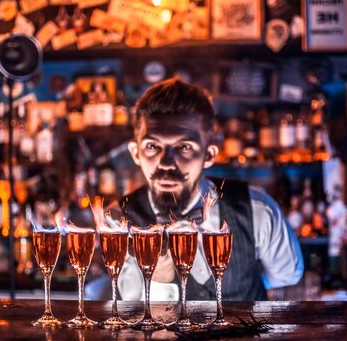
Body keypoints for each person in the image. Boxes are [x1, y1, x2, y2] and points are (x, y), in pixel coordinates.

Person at [106, 77, 303, 301]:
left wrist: (245, 279)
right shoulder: (117, 222)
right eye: (152, 146)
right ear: (135, 153)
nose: (166, 163)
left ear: (209, 155)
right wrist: (159, 279)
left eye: (184, 147)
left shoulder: (257, 208)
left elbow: (288, 275)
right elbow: (129, 309)